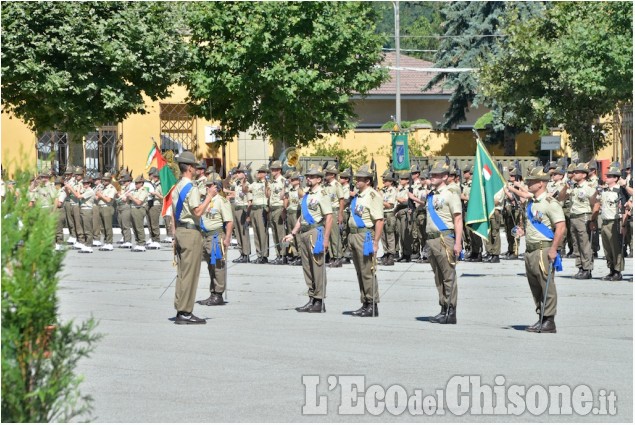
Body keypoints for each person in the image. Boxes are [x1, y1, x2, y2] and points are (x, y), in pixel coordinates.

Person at [516, 167, 565, 333]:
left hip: (543, 249)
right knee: (535, 286)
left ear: (541, 183)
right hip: (530, 250)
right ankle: (541, 316)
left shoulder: (550, 203)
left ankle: (549, 320)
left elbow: (560, 227)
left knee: (546, 285)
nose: (528, 183)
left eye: (532, 181)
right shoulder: (532, 203)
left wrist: (554, 249)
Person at [172, 151, 214, 325]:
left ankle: (180, 308)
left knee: (182, 273)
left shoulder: (177, 187)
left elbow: (174, 214)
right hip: (191, 232)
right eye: (195, 166)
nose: (196, 169)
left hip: (181, 231)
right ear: (189, 168)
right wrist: (209, 197)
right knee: (191, 274)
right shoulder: (192, 188)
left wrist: (174, 235)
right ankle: (186, 312)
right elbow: (197, 211)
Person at [283, 164, 332, 313]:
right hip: (303, 233)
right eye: (308, 176)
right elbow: (301, 217)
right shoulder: (307, 195)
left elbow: (329, 217)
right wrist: (292, 233)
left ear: (319, 179)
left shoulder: (322, 195)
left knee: (317, 267)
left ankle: (319, 300)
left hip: (315, 232)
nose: (308, 178)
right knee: (307, 268)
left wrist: (325, 240)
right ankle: (311, 298)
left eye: (311, 176)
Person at [425, 161, 463, 324]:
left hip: (445, 238)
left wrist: (458, 243)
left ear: (445, 177)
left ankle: (451, 310)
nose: (432, 177)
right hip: (432, 238)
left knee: (448, 275)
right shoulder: (432, 195)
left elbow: (458, 218)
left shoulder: (451, 193)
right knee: (438, 276)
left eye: (437, 175)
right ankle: (443, 307)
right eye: (432, 174)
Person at [348, 164, 384, 317]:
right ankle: (365, 302)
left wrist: (376, 242)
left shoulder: (373, 196)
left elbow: (379, 221)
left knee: (367, 271)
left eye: (360, 178)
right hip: (354, 235)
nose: (357, 181)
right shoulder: (358, 196)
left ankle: (372, 304)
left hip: (365, 236)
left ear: (368, 181)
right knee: (360, 271)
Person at [197, 176, 234, 306]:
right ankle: (212, 292)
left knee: (218, 266)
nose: (206, 188)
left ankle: (218, 294)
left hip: (215, 237)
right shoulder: (206, 201)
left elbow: (229, 221)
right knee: (211, 266)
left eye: (209, 186)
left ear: (216, 187)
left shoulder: (221, 201)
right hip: (206, 237)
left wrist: (227, 238)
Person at [558, 162, 597, 279]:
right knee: (576, 244)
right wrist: (565, 187)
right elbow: (561, 197)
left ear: (584, 175)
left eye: (577, 172)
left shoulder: (588, 187)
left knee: (584, 243)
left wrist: (593, 220)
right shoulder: (573, 187)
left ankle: (587, 268)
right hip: (573, 217)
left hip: (583, 216)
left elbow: (595, 203)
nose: (574, 174)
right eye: (574, 172)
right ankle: (580, 267)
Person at [594, 166, 626, 281]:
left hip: (615, 222)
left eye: (610, 176)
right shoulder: (604, 190)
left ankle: (618, 271)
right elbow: (597, 202)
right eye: (607, 176)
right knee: (607, 248)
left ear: (616, 178)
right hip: (604, 222)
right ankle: (611, 269)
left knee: (616, 248)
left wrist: (623, 224)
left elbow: (623, 208)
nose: (607, 178)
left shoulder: (620, 191)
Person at [228, 164, 251, 263]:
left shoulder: (247, 185)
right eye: (236, 172)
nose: (236, 174)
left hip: (243, 209)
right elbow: (225, 186)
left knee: (244, 232)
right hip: (237, 209)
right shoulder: (236, 184)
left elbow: (250, 201)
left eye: (239, 172)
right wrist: (230, 176)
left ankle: (246, 254)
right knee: (238, 231)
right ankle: (241, 252)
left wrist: (248, 215)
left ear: (244, 174)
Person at [66, 176, 95, 253]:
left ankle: (89, 245)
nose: (85, 185)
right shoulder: (85, 190)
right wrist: (78, 189)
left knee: (87, 229)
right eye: (84, 183)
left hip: (87, 210)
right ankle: (85, 244)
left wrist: (71, 188)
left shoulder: (90, 191)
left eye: (86, 183)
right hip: (82, 209)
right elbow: (78, 195)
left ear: (89, 184)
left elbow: (78, 196)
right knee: (83, 227)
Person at [247, 164, 270, 264]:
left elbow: (268, 194)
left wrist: (266, 183)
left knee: (262, 233)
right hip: (254, 209)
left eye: (261, 172)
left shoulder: (268, 183)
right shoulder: (255, 184)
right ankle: (259, 254)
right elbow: (246, 189)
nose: (258, 173)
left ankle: (264, 255)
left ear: (265, 174)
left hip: (262, 208)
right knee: (256, 233)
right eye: (258, 172)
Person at [324, 164, 345, 267]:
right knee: (329, 236)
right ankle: (332, 257)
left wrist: (340, 214)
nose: (326, 175)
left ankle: (338, 257)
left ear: (332, 175)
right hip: (328, 212)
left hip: (335, 211)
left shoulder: (337, 185)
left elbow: (341, 200)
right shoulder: (326, 185)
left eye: (327, 173)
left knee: (335, 235)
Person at [268, 161, 287, 264]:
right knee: (275, 234)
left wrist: (284, 209)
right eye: (271, 169)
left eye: (274, 169)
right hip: (272, 208)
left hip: (279, 208)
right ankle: (278, 254)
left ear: (279, 170)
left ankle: (283, 254)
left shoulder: (283, 181)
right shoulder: (272, 182)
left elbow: (285, 197)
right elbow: (268, 196)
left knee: (281, 234)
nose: (272, 171)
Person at [284, 171, 303, 265]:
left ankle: (300, 255)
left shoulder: (300, 189)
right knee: (291, 234)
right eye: (291, 179)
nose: (291, 181)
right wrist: (285, 187)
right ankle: (295, 254)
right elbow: (282, 197)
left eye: (293, 179)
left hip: (297, 212)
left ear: (298, 181)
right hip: (290, 212)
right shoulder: (290, 189)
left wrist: (300, 187)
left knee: (298, 236)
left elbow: (302, 199)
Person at [95, 172, 117, 251]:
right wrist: (98, 194)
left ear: (110, 180)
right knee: (102, 227)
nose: (105, 181)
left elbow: (108, 200)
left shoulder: (112, 188)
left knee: (108, 226)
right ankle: (105, 242)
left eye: (107, 180)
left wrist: (101, 195)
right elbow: (96, 197)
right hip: (100, 207)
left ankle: (109, 243)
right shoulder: (102, 187)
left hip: (107, 207)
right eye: (104, 180)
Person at [379, 170, 397, 266]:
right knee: (383, 236)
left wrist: (379, 199)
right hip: (382, 214)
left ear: (390, 181)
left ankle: (391, 254)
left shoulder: (392, 190)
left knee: (389, 235)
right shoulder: (383, 190)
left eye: (385, 179)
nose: (383, 181)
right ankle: (385, 253)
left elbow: (389, 205)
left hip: (389, 214)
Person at [394, 171, 413, 262]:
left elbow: (406, 201)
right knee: (400, 234)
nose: (400, 180)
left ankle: (407, 254)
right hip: (399, 212)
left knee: (406, 234)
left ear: (407, 180)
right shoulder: (401, 189)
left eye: (402, 179)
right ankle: (403, 253)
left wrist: (398, 199)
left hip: (405, 212)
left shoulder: (408, 189)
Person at [146, 168, 163, 249]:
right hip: (150, 203)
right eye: (153, 176)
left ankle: (157, 240)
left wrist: (155, 193)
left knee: (154, 223)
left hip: (156, 204)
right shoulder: (151, 184)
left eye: (155, 176)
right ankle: (152, 239)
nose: (153, 177)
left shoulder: (161, 185)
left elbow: (163, 197)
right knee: (149, 223)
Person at [116, 174, 134, 248]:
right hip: (120, 206)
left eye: (125, 181)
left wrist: (124, 197)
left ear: (129, 181)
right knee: (121, 223)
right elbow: (120, 194)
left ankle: (128, 241)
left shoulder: (131, 188)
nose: (124, 183)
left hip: (126, 206)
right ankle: (124, 238)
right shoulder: (124, 187)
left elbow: (129, 198)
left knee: (125, 224)